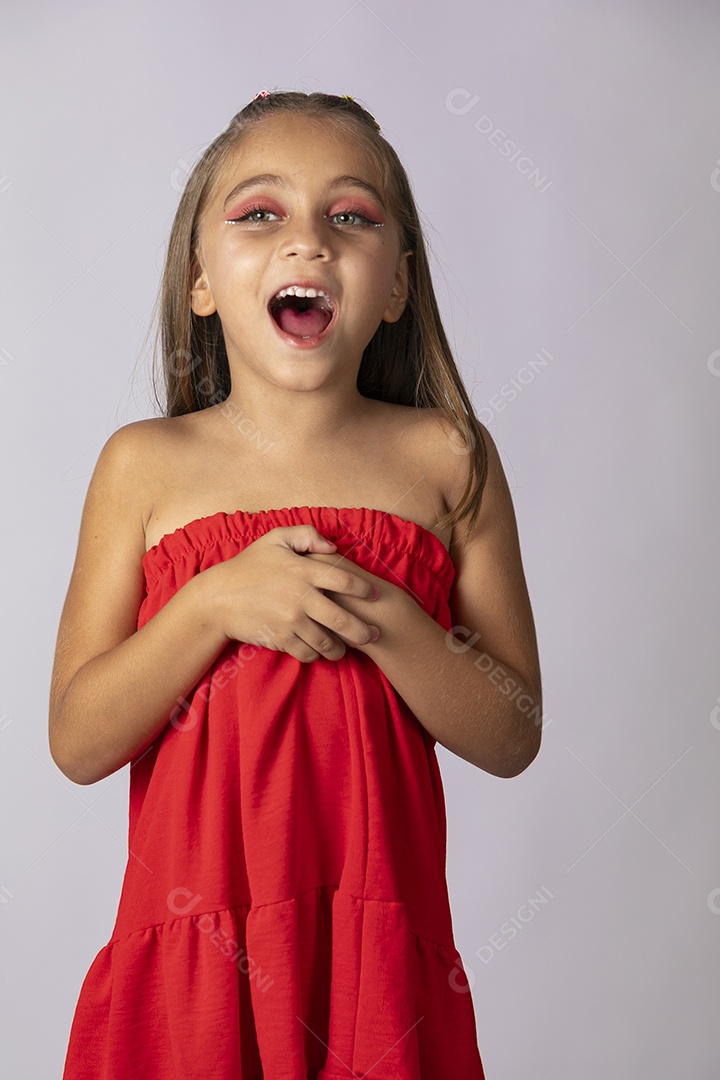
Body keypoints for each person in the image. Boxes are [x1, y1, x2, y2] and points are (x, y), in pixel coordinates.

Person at [50, 89, 542, 1080]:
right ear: (200, 278)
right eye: (260, 214)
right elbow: (79, 737)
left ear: (397, 287)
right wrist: (212, 605)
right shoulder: (143, 466)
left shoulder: (449, 459)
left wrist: (388, 617)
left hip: (376, 978)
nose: (307, 243)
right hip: (194, 964)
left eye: (351, 217)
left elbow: (512, 729)